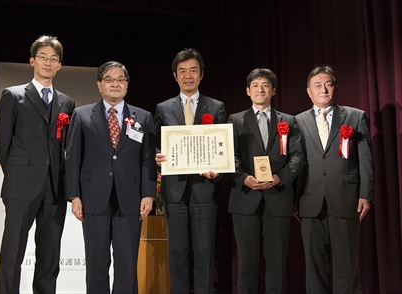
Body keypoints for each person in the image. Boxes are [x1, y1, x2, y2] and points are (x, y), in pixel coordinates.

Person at [65, 61, 156, 293]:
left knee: (127, 266)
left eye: (121, 79)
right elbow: (73, 158)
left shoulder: (143, 117)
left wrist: (148, 194)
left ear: (127, 85)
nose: (115, 83)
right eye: (109, 79)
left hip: (130, 200)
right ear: (99, 84)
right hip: (93, 198)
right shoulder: (82, 115)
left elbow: (147, 159)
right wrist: (74, 195)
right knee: (96, 266)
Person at [0, 35, 75, 293]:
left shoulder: (67, 103)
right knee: (12, 253)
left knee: (49, 256)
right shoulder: (13, 95)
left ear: (60, 65)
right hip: (21, 188)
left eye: (54, 59)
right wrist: (18, 174)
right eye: (42, 57)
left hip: (54, 188)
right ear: (32, 61)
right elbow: (3, 143)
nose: (48, 63)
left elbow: (67, 148)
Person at [295, 65, 374, 294]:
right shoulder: (297, 121)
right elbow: (294, 162)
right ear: (308, 91)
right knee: (314, 268)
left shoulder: (355, 116)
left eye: (328, 84)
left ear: (336, 87)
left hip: (346, 199)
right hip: (309, 200)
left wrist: (366, 194)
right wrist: (292, 197)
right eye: (317, 85)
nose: (323, 89)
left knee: (347, 266)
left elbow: (366, 159)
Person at [154, 48, 226, 294]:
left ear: (201, 75)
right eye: (182, 71)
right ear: (175, 76)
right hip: (174, 192)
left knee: (205, 252)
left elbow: (223, 147)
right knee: (177, 251)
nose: (188, 75)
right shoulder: (163, 108)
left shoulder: (216, 107)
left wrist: (219, 170)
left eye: (193, 70)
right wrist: (157, 156)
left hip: (205, 189)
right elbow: (156, 144)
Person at [228, 68, 305, 293]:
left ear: (273, 91)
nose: (260, 89)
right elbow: (228, 156)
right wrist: (244, 178)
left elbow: (298, 156)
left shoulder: (289, 121)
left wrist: (281, 178)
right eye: (255, 85)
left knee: (277, 264)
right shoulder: (235, 120)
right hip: (245, 198)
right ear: (247, 91)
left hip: (278, 197)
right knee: (246, 264)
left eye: (265, 85)